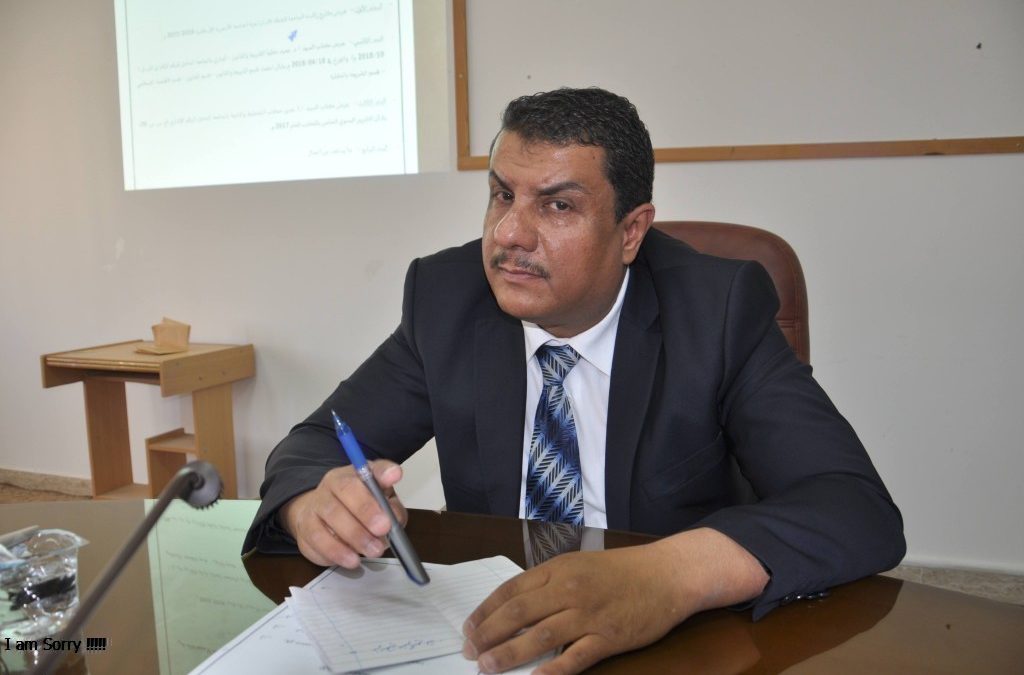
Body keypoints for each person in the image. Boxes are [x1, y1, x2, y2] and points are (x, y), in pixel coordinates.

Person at [244, 87, 905, 675]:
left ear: (631, 231)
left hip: (677, 646)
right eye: (502, 195)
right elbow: (314, 447)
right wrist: (315, 505)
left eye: (557, 205)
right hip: (495, 639)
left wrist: (669, 574)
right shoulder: (447, 298)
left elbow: (853, 506)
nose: (509, 233)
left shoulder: (716, 311)